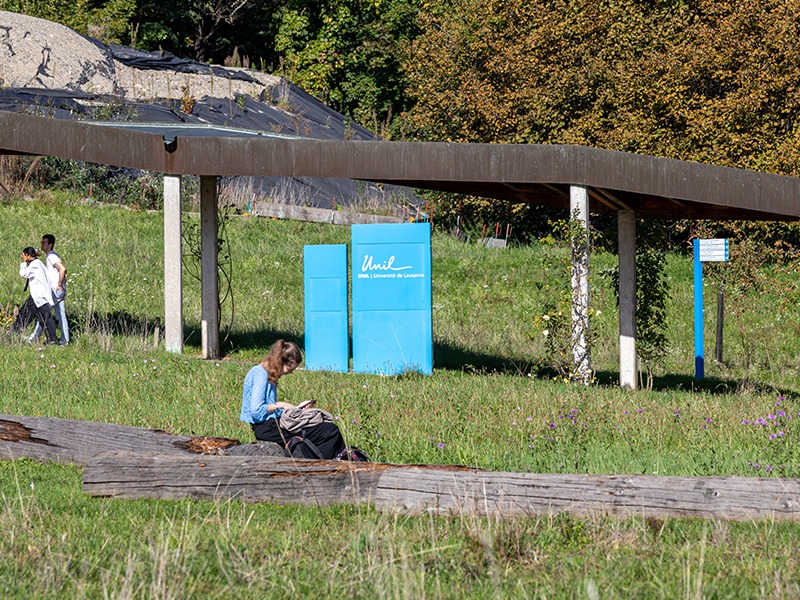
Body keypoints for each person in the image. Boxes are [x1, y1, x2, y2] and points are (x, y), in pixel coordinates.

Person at [240, 339, 346, 459]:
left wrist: (296, 408)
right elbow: (256, 410)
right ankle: (323, 464)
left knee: (328, 428)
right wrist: (280, 404)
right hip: (268, 429)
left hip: (272, 424)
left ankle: (333, 460)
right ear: (282, 362)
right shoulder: (260, 374)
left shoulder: (267, 373)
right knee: (330, 431)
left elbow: (269, 409)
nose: (289, 373)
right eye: (290, 369)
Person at [12, 246, 57, 344]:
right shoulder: (39, 263)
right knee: (44, 318)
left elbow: (23, 274)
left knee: (26, 315)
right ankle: (52, 339)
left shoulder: (34, 265)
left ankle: (13, 333)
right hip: (41, 295)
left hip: (38, 296)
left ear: (28, 255)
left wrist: (23, 263)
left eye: (23, 255)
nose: (22, 256)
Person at [29, 234, 68, 345]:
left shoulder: (51, 256)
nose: (42, 244)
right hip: (58, 289)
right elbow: (64, 271)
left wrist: (59, 284)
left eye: (44, 242)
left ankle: (35, 337)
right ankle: (65, 340)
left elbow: (63, 269)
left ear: (50, 244)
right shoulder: (51, 256)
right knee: (60, 315)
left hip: (55, 289)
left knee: (43, 312)